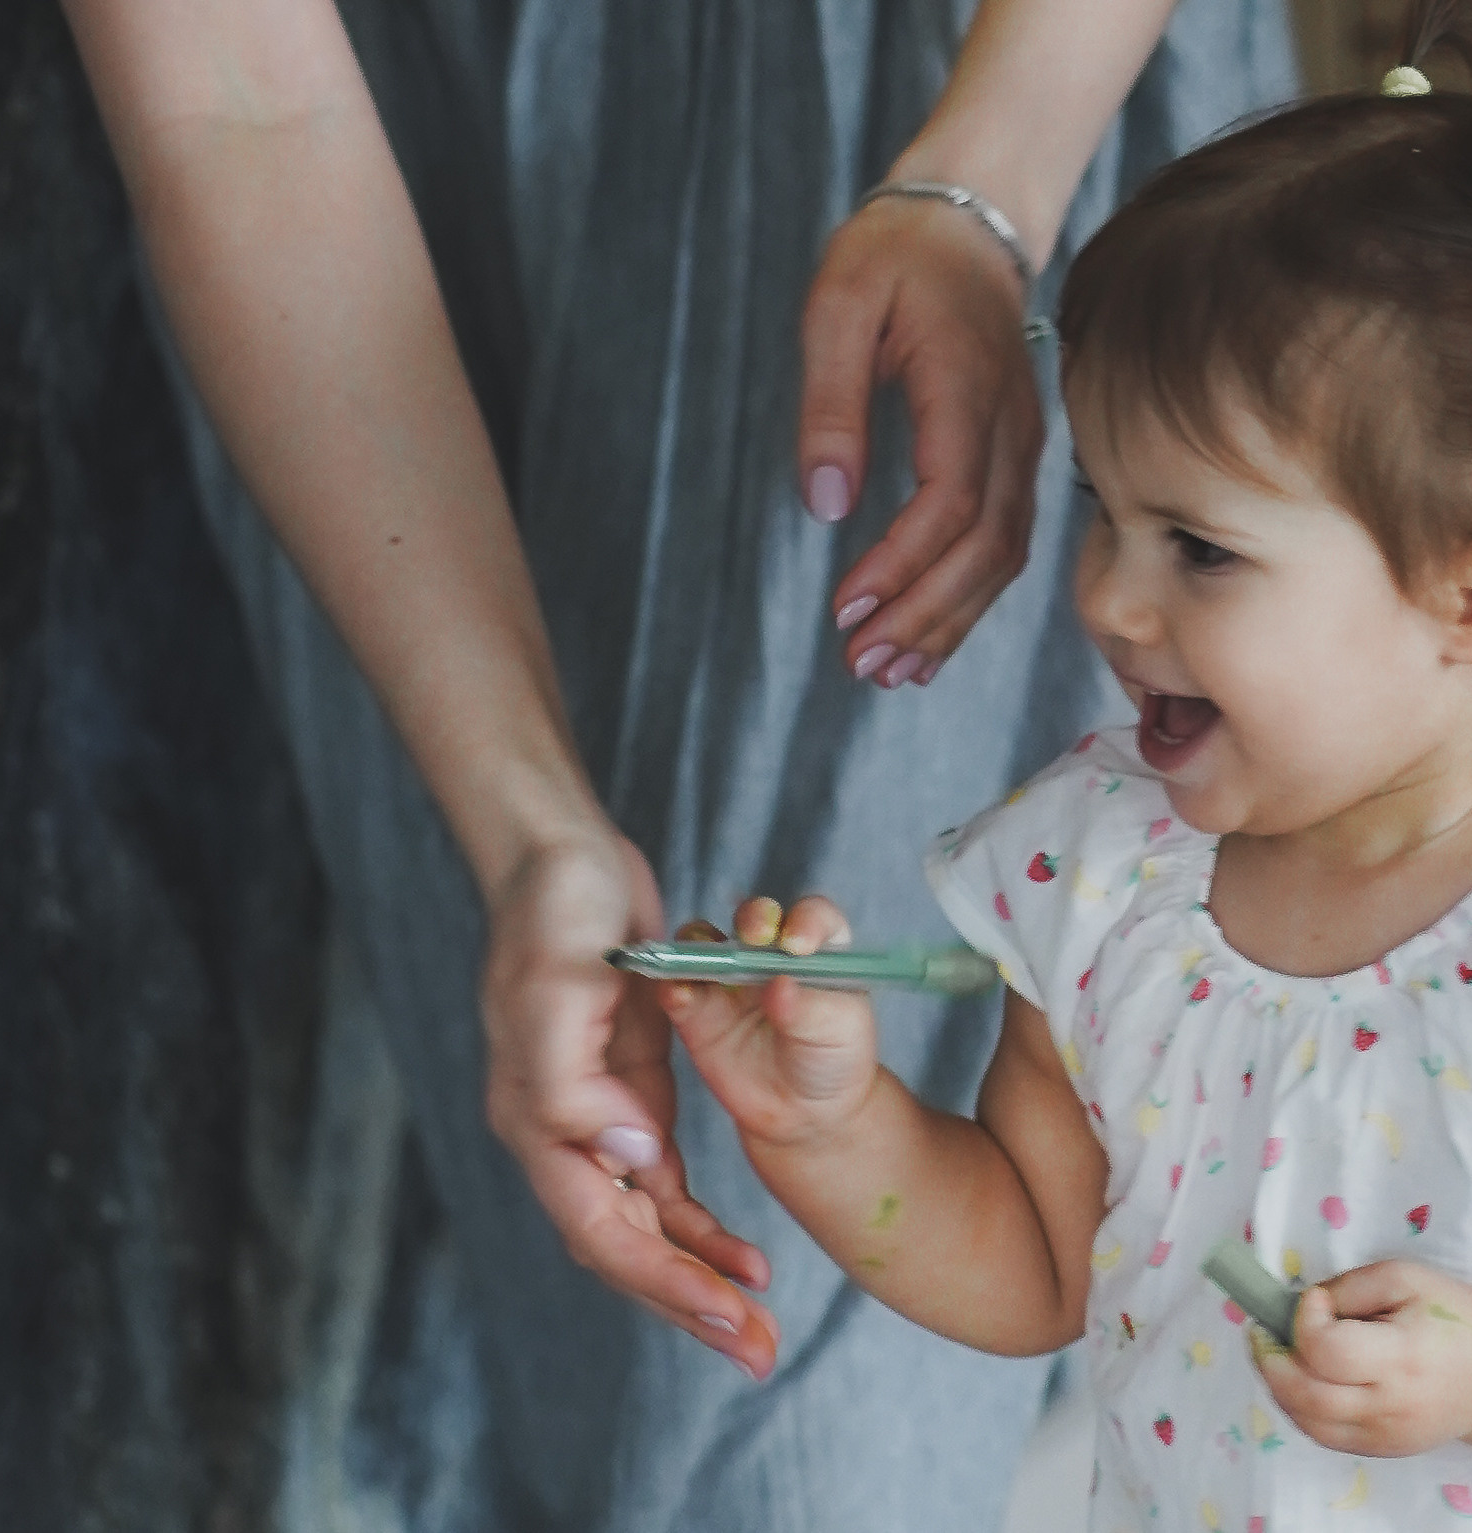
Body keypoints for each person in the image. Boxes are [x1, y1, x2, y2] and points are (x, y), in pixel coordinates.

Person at [62, 0, 1294, 1525]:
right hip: (375, 249)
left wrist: (979, 188)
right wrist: (528, 832)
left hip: (988, 87)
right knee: (621, 1315)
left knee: (777, 1438)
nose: (1109, 602)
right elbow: (239, 97)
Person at [665, 6, 1472, 1528]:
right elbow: (1042, 1261)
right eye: (1106, 507)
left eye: (1201, 548)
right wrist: (832, 1129)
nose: (1109, 598)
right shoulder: (1102, 878)